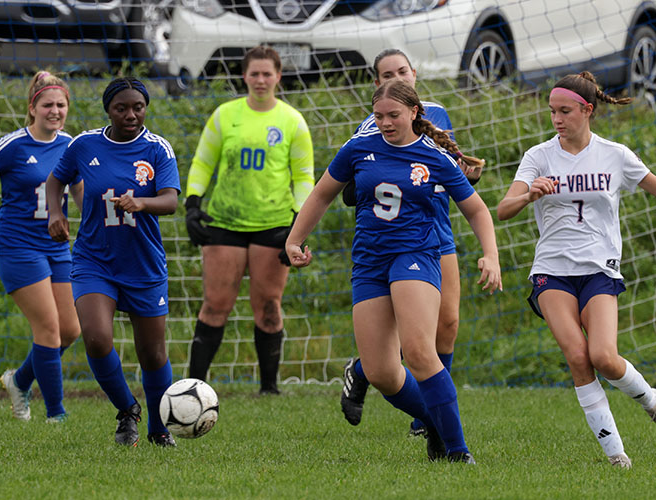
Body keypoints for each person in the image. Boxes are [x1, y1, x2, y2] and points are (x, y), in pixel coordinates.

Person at [286, 79, 502, 463]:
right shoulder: (358, 148)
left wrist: (491, 255)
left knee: (419, 352)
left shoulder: (434, 157)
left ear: (414, 113)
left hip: (416, 254)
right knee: (382, 371)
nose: (385, 123)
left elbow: (477, 210)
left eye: (393, 115)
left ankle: (458, 451)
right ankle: (434, 421)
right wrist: (294, 240)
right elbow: (322, 194)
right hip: (369, 261)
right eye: (379, 115)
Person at [497, 71, 656, 469]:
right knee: (578, 356)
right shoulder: (538, 156)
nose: (557, 119)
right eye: (552, 111)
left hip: (600, 269)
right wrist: (530, 192)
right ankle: (616, 454)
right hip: (551, 270)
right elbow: (503, 209)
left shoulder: (615, 155)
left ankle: (651, 401)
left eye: (565, 111)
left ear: (587, 110)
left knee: (603, 355)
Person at [339, 48, 483, 459]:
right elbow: (350, 188)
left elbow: (448, 166)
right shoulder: (371, 128)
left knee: (447, 324)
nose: (396, 75)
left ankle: (423, 411)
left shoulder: (435, 112)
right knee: (412, 339)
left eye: (402, 70)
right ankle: (430, 422)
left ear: (414, 74)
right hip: (390, 240)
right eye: (387, 72)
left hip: (438, 229)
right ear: (376, 83)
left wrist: (465, 170)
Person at [46, 77, 181, 447]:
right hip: (94, 259)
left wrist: (142, 202)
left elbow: (170, 200)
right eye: (121, 108)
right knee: (95, 337)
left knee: (152, 354)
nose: (131, 114)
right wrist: (54, 214)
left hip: (143, 265)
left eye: (137, 107)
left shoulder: (157, 149)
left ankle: (158, 428)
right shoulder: (85, 144)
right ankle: (127, 411)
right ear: (108, 109)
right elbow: (55, 181)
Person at [183, 46, 314, 394]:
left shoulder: (292, 121)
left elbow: (303, 176)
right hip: (225, 221)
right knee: (215, 305)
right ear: (243, 76)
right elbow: (202, 163)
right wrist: (192, 204)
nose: (260, 80)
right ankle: (193, 386)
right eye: (253, 73)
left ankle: (269, 389)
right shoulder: (225, 115)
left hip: (274, 225)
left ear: (278, 76)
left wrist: (298, 225)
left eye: (266, 74)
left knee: (269, 307)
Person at [0, 71, 82, 423]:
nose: (54, 111)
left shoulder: (72, 146)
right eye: (47, 105)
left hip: (56, 247)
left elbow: (81, 192)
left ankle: (20, 380)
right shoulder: (12, 145)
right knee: (49, 330)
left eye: (61, 105)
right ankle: (56, 416)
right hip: (17, 246)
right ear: (32, 108)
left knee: (72, 330)